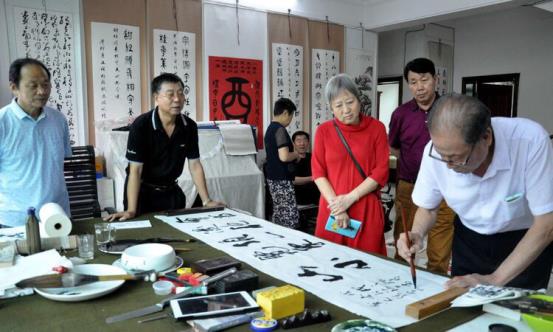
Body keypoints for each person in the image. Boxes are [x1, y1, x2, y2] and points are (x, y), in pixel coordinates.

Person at [397, 93, 553, 290]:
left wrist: (494, 279)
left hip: (523, 243)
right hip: (469, 241)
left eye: (456, 158)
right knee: (464, 309)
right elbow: (428, 208)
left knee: (517, 315)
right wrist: (417, 233)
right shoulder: (437, 152)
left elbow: (546, 224)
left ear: (486, 137)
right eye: (441, 156)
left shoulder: (529, 141)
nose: (447, 166)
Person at [105, 73, 221, 221]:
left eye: (180, 93)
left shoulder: (189, 126)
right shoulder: (141, 125)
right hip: (143, 194)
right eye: (170, 94)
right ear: (156, 97)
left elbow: (195, 165)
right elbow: (135, 170)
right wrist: (131, 210)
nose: (177, 99)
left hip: (171, 192)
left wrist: (206, 201)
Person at [388, 58, 455, 274]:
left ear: (435, 80)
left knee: (441, 235)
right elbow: (395, 148)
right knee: (405, 235)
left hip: (445, 188)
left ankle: (436, 279)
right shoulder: (401, 114)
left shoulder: (450, 109)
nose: (419, 87)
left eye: (424, 80)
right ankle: (400, 276)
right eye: (413, 82)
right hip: (409, 185)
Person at [312, 74, 389, 254]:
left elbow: (381, 171)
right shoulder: (324, 131)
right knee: (329, 262)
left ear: (359, 100)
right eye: (338, 105)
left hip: (365, 207)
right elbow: (318, 172)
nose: (346, 109)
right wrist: (338, 208)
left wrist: (349, 199)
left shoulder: (376, 128)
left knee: (367, 264)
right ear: (331, 107)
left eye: (350, 102)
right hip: (332, 209)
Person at [0, 58, 72, 227]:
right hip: (15, 221)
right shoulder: (2, 122)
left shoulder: (58, 119)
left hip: (57, 214)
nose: (41, 91)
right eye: (33, 85)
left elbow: (61, 164)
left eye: (46, 84)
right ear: (14, 88)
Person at [264, 98, 300, 229]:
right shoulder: (280, 130)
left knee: (279, 215)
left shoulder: (270, 129)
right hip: (282, 180)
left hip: (273, 178)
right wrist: (296, 154)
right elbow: (284, 157)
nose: (290, 120)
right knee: (289, 218)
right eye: (291, 116)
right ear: (285, 113)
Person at [292, 130, 320, 205]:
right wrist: (314, 178)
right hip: (299, 197)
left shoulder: (313, 157)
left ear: (308, 143)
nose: (302, 143)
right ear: (293, 143)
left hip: (316, 196)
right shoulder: (290, 159)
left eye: (305, 140)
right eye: (298, 140)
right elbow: (293, 180)